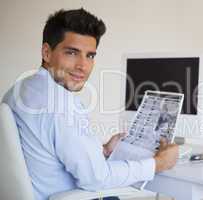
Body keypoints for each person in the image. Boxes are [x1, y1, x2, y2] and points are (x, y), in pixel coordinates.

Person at [2, 8, 178, 200]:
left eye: (90, 56)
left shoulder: (19, 90)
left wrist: (101, 150)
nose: (83, 66)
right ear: (46, 52)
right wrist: (158, 163)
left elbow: (48, 150)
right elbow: (97, 179)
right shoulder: (61, 106)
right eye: (72, 52)